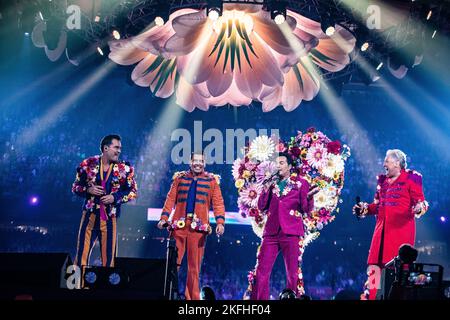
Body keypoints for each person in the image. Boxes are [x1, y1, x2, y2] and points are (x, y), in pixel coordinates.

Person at [353, 149, 428, 300]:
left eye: (387, 161)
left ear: (397, 163)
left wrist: (420, 207)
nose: (384, 164)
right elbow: (376, 206)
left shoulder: (411, 178)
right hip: (379, 237)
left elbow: (421, 202)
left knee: (398, 276)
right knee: (374, 272)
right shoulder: (382, 182)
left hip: (400, 236)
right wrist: (364, 209)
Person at [157, 152, 225, 300]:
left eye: (201, 161)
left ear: (205, 163)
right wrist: (164, 218)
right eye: (195, 160)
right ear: (190, 161)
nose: (198, 163)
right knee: (173, 265)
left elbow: (218, 203)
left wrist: (220, 222)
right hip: (179, 227)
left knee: (194, 268)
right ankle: (167, 295)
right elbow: (170, 200)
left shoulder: (212, 181)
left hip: (198, 230)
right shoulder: (179, 179)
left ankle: (192, 299)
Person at [251, 152, 316, 300]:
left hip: (292, 231)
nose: (278, 166)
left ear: (289, 166)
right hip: (271, 232)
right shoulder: (271, 184)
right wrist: (265, 189)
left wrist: (310, 198)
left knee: (292, 272)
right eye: (276, 163)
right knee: (261, 270)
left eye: (281, 163)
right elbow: (261, 207)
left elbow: (306, 209)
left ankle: (291, 298)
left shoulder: (301, 183)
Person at [72, 134, 137, 267]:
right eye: (116, 147)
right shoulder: (88, 164)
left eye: (120, 148)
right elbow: (75, 187)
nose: (119, 151)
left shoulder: (124, 168)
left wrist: (115, 197)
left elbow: (132, 192)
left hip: (109, 218)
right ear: (105, 148)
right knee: (80, 256)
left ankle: (106, 288)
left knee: (109, 260)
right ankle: (77, 286)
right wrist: (87, 190)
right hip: (89, 216)